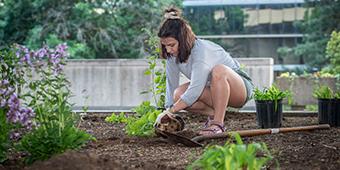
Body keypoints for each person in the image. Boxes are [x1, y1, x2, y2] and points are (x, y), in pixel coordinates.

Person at [156, 7, 254, 136]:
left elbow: (195, 89)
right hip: (213, 91)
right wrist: (167, 110)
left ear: (183, 39)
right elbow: (171, 83)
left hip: (239, 89)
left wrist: (172, 110)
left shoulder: (201, 51)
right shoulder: (172, 55)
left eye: (172, 45)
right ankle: (216, 113)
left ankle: (218, 123)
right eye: (165, 45)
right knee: (178, 95)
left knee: (219, 71)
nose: (168, 50)